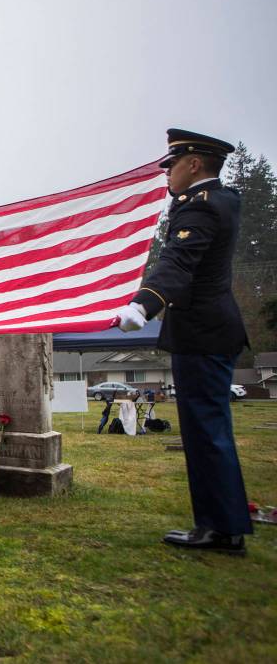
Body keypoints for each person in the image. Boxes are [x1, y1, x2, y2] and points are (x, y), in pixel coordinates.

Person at [116, 128, 251, 554]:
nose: (167, 174)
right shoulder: (218, 202)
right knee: (207, 430)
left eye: (172, 165)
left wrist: (144, 304)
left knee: (206, 432)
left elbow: (178, 261)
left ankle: (220, 529)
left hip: (203, 333)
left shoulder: (201, 209)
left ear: (194, 164)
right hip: (212, 330)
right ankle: (220, 523)